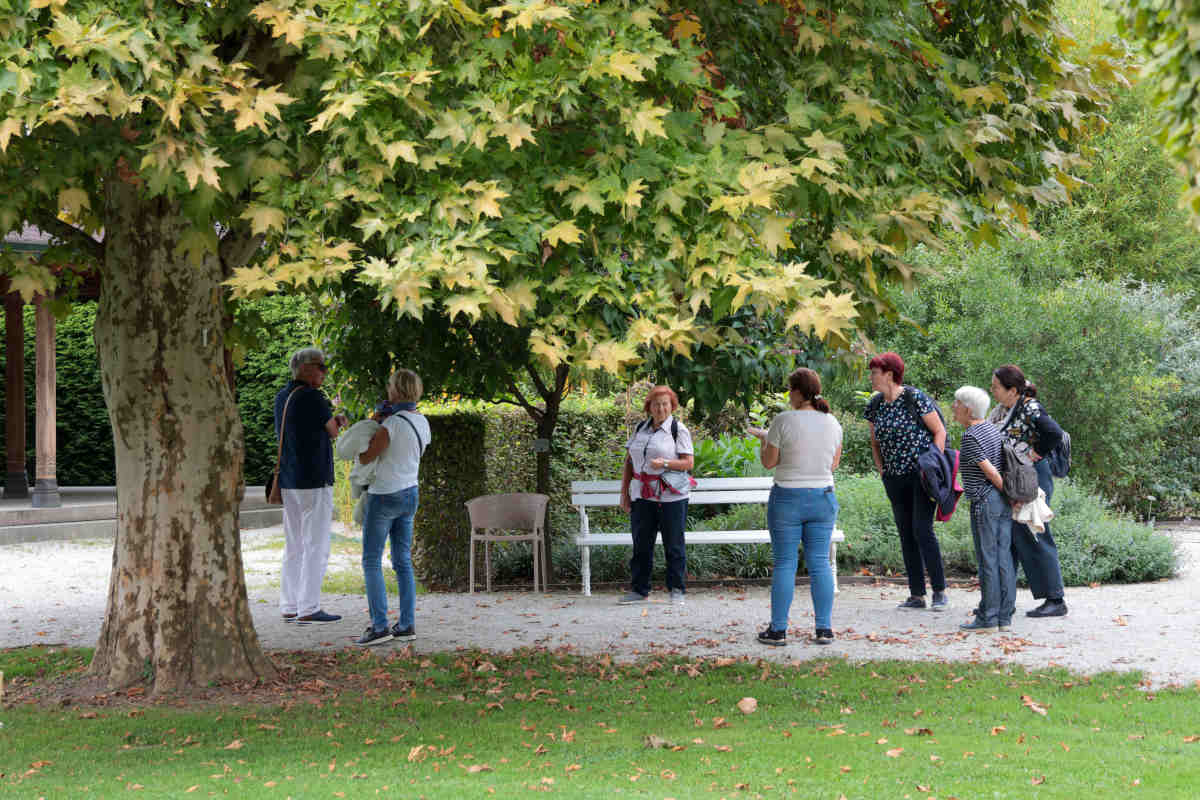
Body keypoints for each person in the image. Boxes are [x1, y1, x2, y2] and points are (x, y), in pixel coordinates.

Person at [748, 368, 843, 646]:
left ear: (799, 392)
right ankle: (824, 629)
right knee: (820, 563)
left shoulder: (783, 420)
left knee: (785, 564)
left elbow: (769, 462)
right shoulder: (833, 423)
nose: (789, 394)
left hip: (787, 498)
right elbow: (833, 464)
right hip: (823, 498)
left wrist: (764, 440)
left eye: (790, 389)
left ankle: (778, 630)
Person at [864, 352, 949, 611]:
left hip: (921, 475)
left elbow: (939, 431)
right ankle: (916, 595)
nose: (871, 377)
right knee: (906, 533)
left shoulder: (915, 397)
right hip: (894, 477)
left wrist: (933, 464)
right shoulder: (875, 404)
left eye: (874, 373)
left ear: (889, 374)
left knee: (922, 529)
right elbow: (875, 443)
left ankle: (939, 591)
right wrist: (882, 470)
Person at [354, 369, 431, 646]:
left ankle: (379, 627)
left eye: (390, 386)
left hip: (384, 495)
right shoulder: (422, 422)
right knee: (402, 561)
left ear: (396, 391)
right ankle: (407, 625)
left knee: (371, 560)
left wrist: (370, 429)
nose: (388, 389)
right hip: (410, 493)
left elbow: (366, 457)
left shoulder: (392, 424)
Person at [988, 365, 1068, 618]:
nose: (992, 391)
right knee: (1010, 536)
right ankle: (1005, 598)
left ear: (1012, 390)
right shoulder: (1003, 410)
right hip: (1015, 476)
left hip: (1031, 478)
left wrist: (1034, 454)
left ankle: (1055, 598)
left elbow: (1054, 433)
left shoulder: (1030, 407)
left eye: (996, 387)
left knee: (1034, 530)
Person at [275, 347, 347, 625]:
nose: (324, 373)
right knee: (316, 544)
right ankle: (309, 607)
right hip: (315, 479)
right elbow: (332, 431)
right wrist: (339, 421)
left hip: (289, 480)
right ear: (305, 368)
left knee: (294, 545)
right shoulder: (314, 397)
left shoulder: (283, 396)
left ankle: (289, 604)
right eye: (321, 367)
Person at [618, 385, 694, 606]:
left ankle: (677, 589)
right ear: (649, 407)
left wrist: (665, 463)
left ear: (672, 406)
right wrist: (624, 493)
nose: (661, 408)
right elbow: (629, 461)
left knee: (674, 545)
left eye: (665, 404)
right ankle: (639, 590)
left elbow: (688, 463)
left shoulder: (678, 430)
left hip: (671, 497)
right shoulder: (640, 428)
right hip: (642, 495)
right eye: (656, 404)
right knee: (641, 544)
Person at [951, 385, 1015, 633]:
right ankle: (1004, 617)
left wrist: (1009, 494)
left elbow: (990, 471)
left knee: (988, 560)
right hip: (1000, 502)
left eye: (957, 403)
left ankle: (988, 618)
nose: (953, 407)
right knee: (1003, 559)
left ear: (968, 409)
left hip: (985, 502)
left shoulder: (971, 436)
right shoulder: (991, 429)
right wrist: (1009, 498)